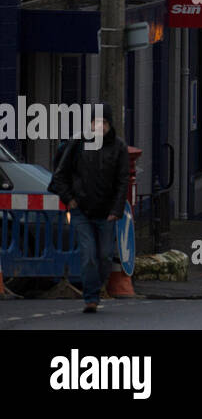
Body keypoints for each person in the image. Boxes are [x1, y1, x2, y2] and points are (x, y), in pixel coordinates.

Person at [49, 102, 129, 313]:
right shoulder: (78, 143)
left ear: (110, 125)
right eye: (96, 121)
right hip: (81, 211)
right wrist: (70, 200)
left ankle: (95, 287)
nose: (100, 126)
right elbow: (60, 174)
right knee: (89, 255)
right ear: (90, 123)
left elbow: (123, 182)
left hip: (106, 213)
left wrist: (116, 210)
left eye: (104, 122)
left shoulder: (119, 147)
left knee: (104, 256)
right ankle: (91, 298)